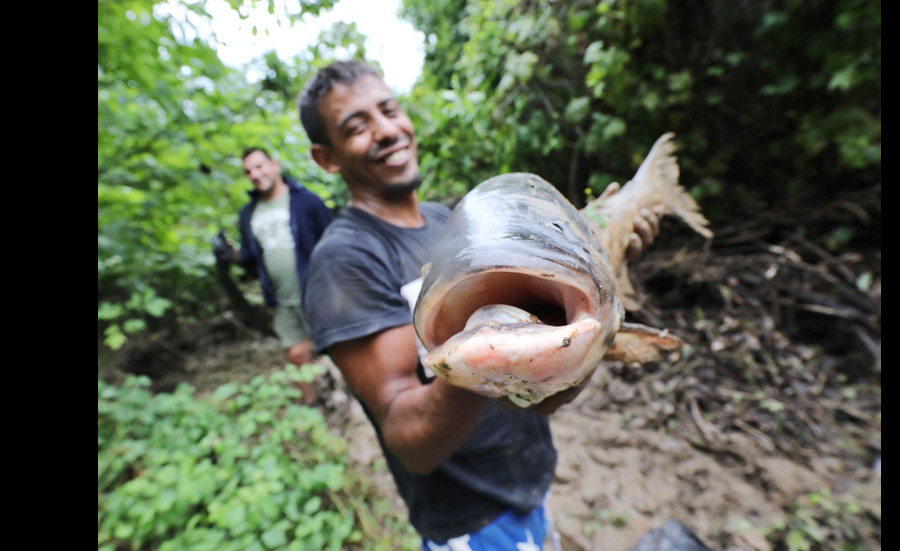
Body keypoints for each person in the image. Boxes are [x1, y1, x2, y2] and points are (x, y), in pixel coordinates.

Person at [297, 59, 663, 550]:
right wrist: (487, 351)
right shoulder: (343, 259)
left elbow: (541, 396)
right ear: (327, 158)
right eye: (357, 126)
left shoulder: (443, 219)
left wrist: (598, 296)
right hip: (468, 520)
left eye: (389, 110)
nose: (386, 130)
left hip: (528, 483)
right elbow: (410, 440)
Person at [212, 147, 334, 406]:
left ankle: (359, 398)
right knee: (296, 353)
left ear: (274, 165)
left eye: (259, 166)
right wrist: (230, 255)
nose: (255, 174)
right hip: (281, 299)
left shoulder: (306, 201)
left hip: (318, 293)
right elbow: (250, 257)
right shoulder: (248, 214)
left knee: (338, 347)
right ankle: (311, 406)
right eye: (248, 171)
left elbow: (334, 239)